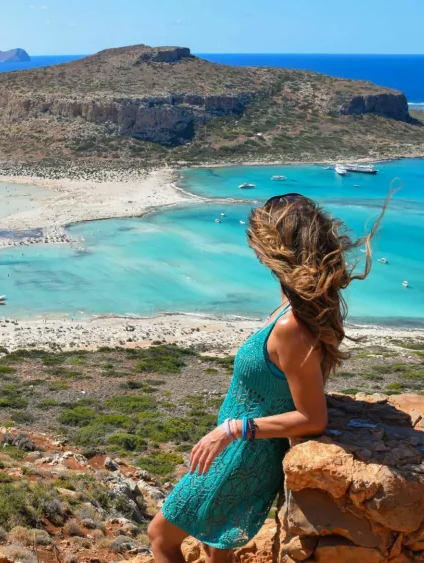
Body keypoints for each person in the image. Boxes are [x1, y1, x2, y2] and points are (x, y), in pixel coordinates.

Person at [148, 191, 391, 563]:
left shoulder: (293, 326)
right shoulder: (297, 304)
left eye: (259, 242)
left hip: (244, 455)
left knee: (161, 537)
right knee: (217, 549)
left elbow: (313, 418)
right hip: (239, 449)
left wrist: (231, 430)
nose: (255, 250)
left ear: (275, 248)